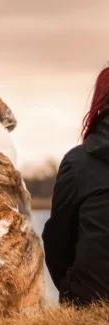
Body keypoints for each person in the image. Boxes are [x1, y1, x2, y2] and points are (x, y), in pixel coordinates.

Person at [42, 67, 109, 306]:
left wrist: (73, 292)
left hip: (91, 298)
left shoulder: (78, 162)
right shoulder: (78, 162)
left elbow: (57, 241)